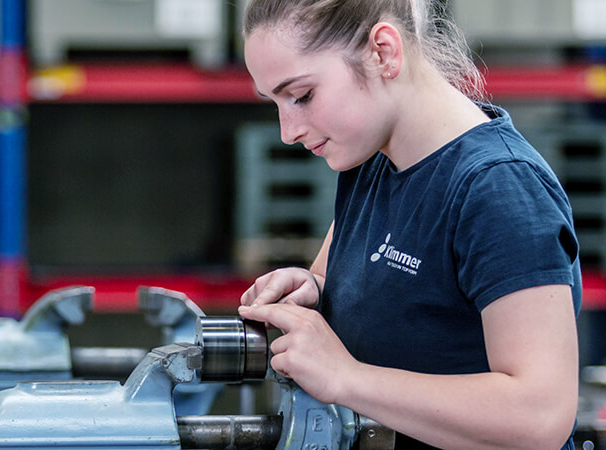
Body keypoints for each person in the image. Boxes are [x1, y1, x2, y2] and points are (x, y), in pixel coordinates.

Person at [235, 0, 582, 448]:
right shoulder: (370, 158)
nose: (288, 129)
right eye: (276, 102)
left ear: (382, 52)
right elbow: (351, 278)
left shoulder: (499, 190)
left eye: (301, 95)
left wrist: (346, 378)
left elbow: (541, 416)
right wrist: (312, 288)